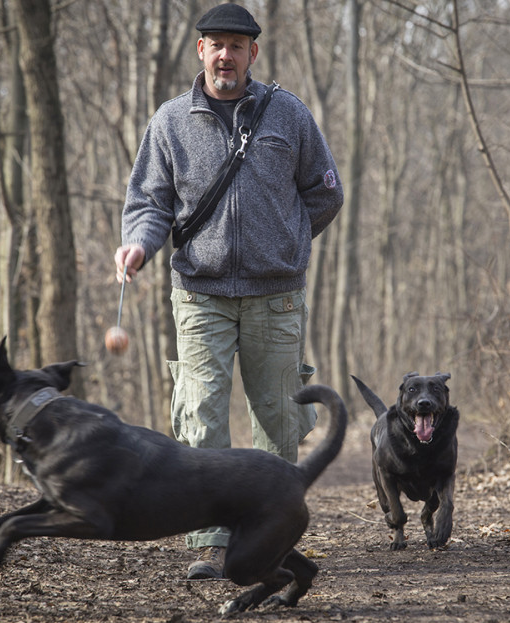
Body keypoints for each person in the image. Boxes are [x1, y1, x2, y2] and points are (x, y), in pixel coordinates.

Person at [114, 2, 343, 580]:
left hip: (276, 295)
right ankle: (213, 542)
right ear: (201, 51)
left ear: (252, 54)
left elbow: (325, 192)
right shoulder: (169, 122)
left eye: (236, 46)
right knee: (202, 416)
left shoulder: (288, 114)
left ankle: (266, 538)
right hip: (200, 292)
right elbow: (150, 203)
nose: (225, 55)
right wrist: (139, 244)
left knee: (278, 419)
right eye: (215, 44)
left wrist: (285, 242)